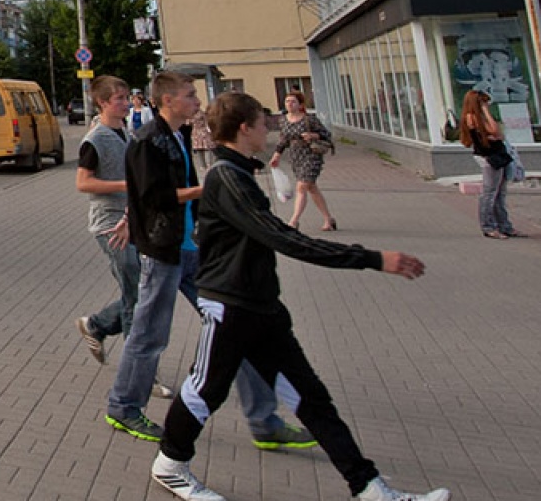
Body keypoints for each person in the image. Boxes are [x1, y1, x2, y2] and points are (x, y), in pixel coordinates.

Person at [149, 91, 448, 501]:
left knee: (312, 400)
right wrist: (371, 258)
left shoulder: (238, 173)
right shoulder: (227, 177)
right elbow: (283, 238)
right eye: (263, 122)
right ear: (244, 128)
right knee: (205, 390)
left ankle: (370, 488)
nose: (268, 128)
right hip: (231, 307)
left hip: (261, 308)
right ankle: (170, 464)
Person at [106, 71, 311, 450]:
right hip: (163, 253)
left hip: (192, 249)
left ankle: (263, 420)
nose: (197, 101)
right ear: (168, 100)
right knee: (149, 335)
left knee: (236, 325)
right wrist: (206, 189)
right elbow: (152, 198)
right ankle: (124, 407)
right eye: (189, 95)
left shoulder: (179, 135)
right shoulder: (147, 141)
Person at [74, 75, 139, 366]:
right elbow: (83, 183)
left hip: (132, 220)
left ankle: (97, 325)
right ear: (102, 103)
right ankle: (136, 368)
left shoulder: (127, 132)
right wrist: (125, 185)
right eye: (119, 99)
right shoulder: (95, 139)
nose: (126, 104)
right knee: (135, 291)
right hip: (109, 224)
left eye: (127, 98)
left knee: (138, 290)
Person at [271, 90, 337, 232]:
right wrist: (276, 155)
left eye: (293, 101)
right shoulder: (283, 120)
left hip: (311, 154)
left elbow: (326, 134)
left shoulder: (309, 119)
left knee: (301, 187)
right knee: (311, 187)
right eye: (287, 101)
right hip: (296, 156)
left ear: (300, 105)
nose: (289, 104)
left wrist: (313, 135)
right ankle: (328, 219)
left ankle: (293, 221)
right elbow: (283, 140)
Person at [458, 90, 515, 239]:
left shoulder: (479, 117)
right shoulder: (472, 117)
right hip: (489, 157)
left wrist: (496, 135)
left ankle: (504, 225)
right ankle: (488, 226)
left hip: (498, 155)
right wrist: (485, 112)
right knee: (489, 193)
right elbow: (494, 131)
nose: (487, 105)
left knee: (500, 193)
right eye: (484, 102)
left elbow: (499, 134)